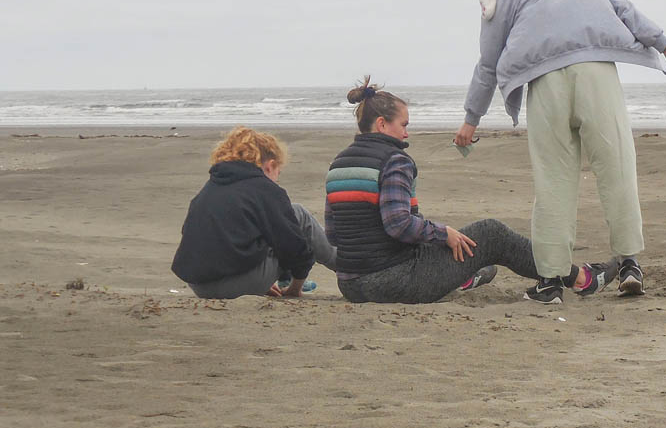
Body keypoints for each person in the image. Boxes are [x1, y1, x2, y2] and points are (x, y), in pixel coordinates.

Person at [454, 0, 666, 302]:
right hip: (595, 72)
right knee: (615, 166)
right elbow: (623, 9)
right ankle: (629, 263)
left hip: (545, 84)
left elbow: (488, 62)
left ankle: (550, 283)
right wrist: (664, 44)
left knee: (553, 182)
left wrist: (471, 119)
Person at [325, 78, 616, 305]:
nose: (407, 133)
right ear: (381, 124)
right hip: (390, 282)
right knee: (491, 233)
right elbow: (398, 224)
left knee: (442, 242)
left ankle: (462, 277)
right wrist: (443, 233)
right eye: (403, 125)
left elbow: (334, 236)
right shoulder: (394, 160)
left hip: (350, 285)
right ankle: (580, 278)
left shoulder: (338, 165)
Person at [171, 126, 338, 298]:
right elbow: (295, 248)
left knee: (269, 229)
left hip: (200, 286)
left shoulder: (208, 190)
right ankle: (343, 265)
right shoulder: (265, 189)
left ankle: (262, 280)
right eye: (278, 173)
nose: (277, 179)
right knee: (298, 214)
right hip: (240, 283)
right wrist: (295, 289)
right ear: (270, 166)